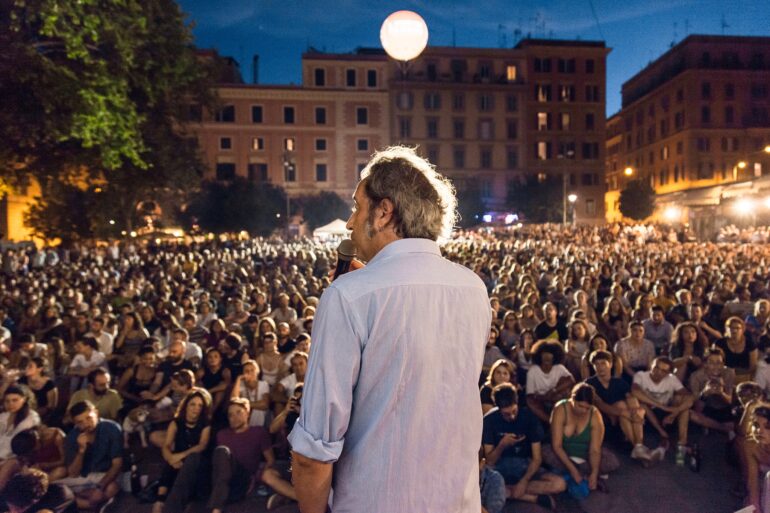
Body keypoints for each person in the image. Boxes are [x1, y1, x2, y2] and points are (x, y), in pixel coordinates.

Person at [288, 146, 491, 513]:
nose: (350, 223)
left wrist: (348, 293)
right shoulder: (473, 288)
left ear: (384, 212)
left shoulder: (348, 298)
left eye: (356, 207)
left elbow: (313, 453)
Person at [482, 384, 566, 509]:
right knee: (484, 483)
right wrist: (502, 444)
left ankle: (509, 492)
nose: (511, 416)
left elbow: (537, 458)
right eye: (506, 414)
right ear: (498, 409)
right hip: (499, 468)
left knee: (560, 484)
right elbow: (489, 461)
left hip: (524, 466)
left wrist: (524, 481)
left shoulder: (529, 417)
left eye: (514, 412)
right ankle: (531, 497)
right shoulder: (489, 420)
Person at [209, 398, 290, 513]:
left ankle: (216, 509)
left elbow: (270, 460)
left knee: (223, 452)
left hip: (244, 480)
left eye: (238, 412)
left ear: (248, 413)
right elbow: (220, 466)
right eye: (230, 415)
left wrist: (258, 478)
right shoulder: (222, 435)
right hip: (224, 482)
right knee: (221, 452)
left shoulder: (258, 432)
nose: (234, 417)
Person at [542, 383, 620, 492]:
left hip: (585, 455)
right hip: (562, 454)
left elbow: (595, 450)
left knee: (611, 462)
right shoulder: (561, 409)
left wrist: (594, 472)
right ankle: (578, 473)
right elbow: (557, 445)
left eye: (587, 408)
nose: (583, 411)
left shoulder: (595, 414)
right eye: (580, 406)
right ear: (572, 399)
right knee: (546, 453)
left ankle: (584, 475)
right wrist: (573, 470)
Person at [585, 351, 651, 462]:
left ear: (610, 364)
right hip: (605, 418)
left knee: (631, 405)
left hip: (624, 417)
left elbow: (630, 397)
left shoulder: (619, 381)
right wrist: (624, 412)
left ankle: (638, 448)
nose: (600, 367)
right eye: (597, 364)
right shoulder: (590, 383)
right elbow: (600, 404)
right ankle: (639, 446)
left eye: (603, 363)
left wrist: (636, 410)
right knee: (621, 405)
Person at [152, 389, 211, 513]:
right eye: (193, 404)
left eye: (200, 405)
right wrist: (171, 458)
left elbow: (202, 446)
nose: (196, 408)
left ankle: (183, 503)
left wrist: (178, 456)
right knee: (169, 463)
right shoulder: (176, 423)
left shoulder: (205, 424)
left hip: (195, 462)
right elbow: (167, 445)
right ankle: (160, 500)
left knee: (183, 462)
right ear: (186, 405)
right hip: (177, 461)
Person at [58, 400, 122, 511]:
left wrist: (99, 488)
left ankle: (81, 501)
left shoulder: (111, 428)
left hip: (104, 475)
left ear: (96, 413)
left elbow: (117, 464)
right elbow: (73, 473)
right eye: (80, 422)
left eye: (89, 418)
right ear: (75, 423)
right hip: (84, 477)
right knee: (54, 489)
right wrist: (81, 451)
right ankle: (90, 503)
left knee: (112, 488)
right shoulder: (73, 437)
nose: (86, 424)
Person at [631, 357, 695, 458]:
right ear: (651, 365)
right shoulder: (641, 375)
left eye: (663, 371)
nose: (658, 372)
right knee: (641, 404)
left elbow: (690, 397)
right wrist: (662, 406)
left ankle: (682, 444)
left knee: (681, 402)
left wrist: (675, 413)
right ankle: (662, 432)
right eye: (656, 367)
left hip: (666, 415)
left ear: (668, 373)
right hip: (647, 416)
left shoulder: (671, 379)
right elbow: (635, 392)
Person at [687, 347, 737, 436]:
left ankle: (711, 426)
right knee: (691, 415)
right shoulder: (695, 376)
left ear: (723, 364)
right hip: (706, 410)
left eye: (719, 363)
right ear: (705, 364)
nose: (715, 366)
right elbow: (696, 407)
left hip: (724, 409)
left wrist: (721, 393)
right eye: (711, 363)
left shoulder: (729, 372)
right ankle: (724, 428)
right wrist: (704, 393)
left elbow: (730, 401)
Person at [525, 340, 575, 425]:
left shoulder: (559, 368)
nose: (547, 356)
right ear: (539, 355)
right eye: (544, 353)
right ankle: (551, 421)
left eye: (550, 353)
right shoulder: (532, 371)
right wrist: (545, 397)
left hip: (556, 399)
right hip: (540, 402)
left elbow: (571, 380)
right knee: (532, 405)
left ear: (555, 356)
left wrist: (555, 390)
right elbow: (530, 397)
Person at [0, 386, 41, 489]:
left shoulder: (31, 418)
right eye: (7, 401)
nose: (10, 404)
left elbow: (22, 446)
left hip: (16, 459)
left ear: (24, 399)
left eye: (15, 400)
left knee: (9, 464)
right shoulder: (3, 416)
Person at [0, 467, 75, 513]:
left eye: (18, 508)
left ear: (35, 501)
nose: (13, 511)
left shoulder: (60, 495)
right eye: (11, 505)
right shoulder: (6, 497)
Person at [744, 405, 770, 512]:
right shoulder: (751, 445)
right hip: (764, 494)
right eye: (756, 425)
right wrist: (756, 507)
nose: (759, 431)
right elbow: (753, 483)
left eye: (768, 426)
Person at [231, 360, 269, 427]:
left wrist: (244, 405)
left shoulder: (263, 384)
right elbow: (233, 400)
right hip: (245, 414)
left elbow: (264, 405)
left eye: (252, 370)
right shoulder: (240, 384)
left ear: (257, 372)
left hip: (260, 415)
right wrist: (238, 379)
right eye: (246, 371)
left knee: (258, 411)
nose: (249, 373)